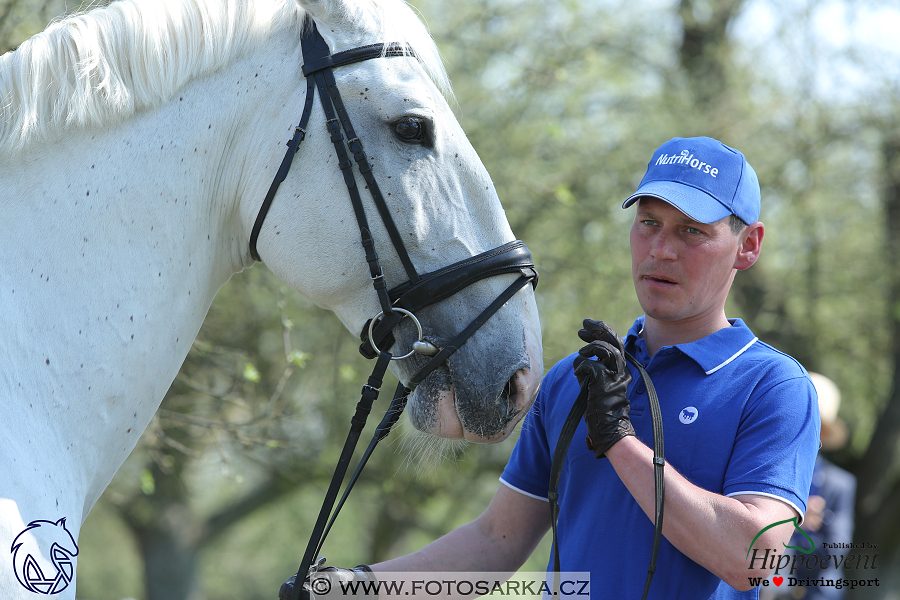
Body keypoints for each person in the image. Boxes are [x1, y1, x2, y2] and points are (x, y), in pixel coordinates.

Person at [280, 137, 821, 600]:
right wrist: (349, 586)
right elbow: (497, 542)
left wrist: (619, 443)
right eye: (649, 223)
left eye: (691, 232)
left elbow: (758, 561)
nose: (660, 249)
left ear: (747, 245)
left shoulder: (774, 386)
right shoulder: (576, 378)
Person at [764, 373, 856, 600]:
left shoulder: (838, 484)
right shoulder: (765, 468)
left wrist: (803, 528)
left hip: (811, 589)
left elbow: (837, 551)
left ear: (822, 432)